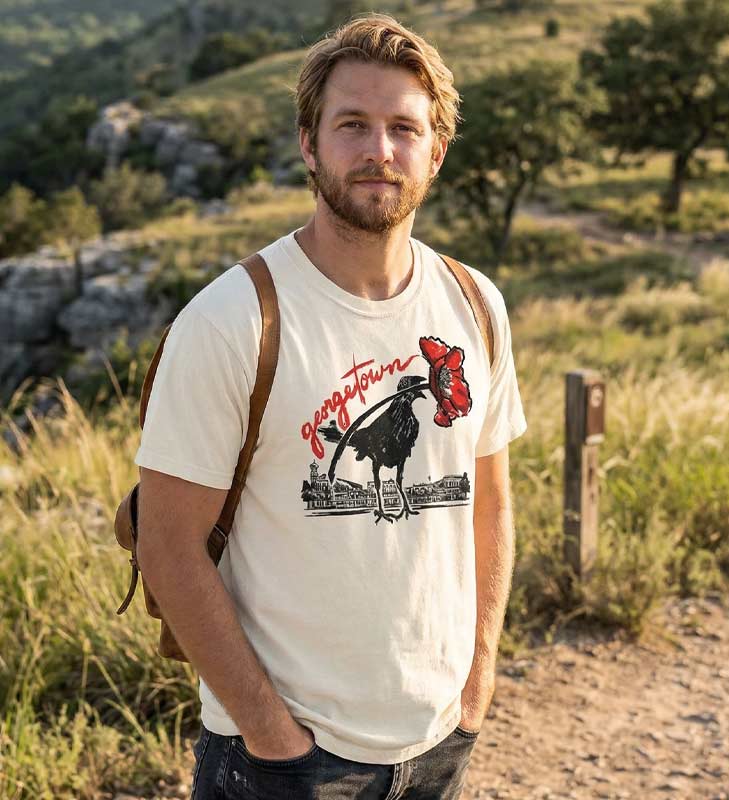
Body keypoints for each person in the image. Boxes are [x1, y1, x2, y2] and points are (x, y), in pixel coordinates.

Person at [134, 14, 527, 800]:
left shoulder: (474, 303)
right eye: (352, 125)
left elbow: (490, 501)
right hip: (285, 758)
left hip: (441, 736)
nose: (380, 150)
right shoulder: (233, 320)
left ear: (435, 152)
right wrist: (271, 734)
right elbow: (166, 546)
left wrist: (477, 677)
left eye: (402, 129)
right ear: (310, 145)